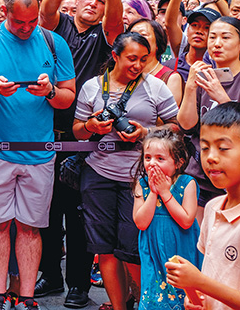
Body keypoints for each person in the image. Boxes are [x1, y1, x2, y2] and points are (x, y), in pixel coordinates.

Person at [0, 0, 76, 310]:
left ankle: (26, 297)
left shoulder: (55, 42)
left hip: (39, 152)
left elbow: (68, 96)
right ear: (4, 12)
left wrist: (50, 91)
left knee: (31, 227)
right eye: (18, 22)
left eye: (32, 21)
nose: (26, 28)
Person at [35, 0, 123, 306]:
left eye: (100, 1)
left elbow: (116, 24)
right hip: (46, 132)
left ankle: (79, 285)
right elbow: (46, 13)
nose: (94, 4)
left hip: (86, 136)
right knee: (49, 211)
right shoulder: (61, 28)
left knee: (79, 213)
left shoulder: (105, 36)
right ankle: (51, 277)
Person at [73, 32, 179, 310]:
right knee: (104, 248)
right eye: (131, 58)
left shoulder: (155, 86)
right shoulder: (92, 87)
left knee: (133, 249)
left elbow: (177, 127)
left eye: (143, 59)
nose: (137, 65)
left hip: (140, 178)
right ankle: (120, 306)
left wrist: (148, 133)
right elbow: (77, 130)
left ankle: (146, 303)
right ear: (115, 56)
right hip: (98, 174)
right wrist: (91, 127)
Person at [165, 102, 240, 310]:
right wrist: (198, 296)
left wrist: (198, 282)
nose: (211, 158)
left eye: (223, 148)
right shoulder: (212, 207)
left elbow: (205, 280)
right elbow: (215, 274)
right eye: (205, 148)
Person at [177, 16, 240, 215]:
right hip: (201, 174)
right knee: (201, 242)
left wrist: (222, 97)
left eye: (225, 37)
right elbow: (186, 126)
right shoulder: (203, 76)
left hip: (234, 177)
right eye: (212, 37)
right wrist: (189, 88)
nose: (217, 44)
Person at [133, 128, 201, 310]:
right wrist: (154, 193)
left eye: (160, 159)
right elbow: (140, 222)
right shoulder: (142, 185)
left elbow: (186, 220)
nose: (152, 164)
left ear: (178, 162)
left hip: (181, 249)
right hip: (154, 252)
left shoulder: (187, 184)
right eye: (148, 158)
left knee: (183, 294)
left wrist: (165, 192)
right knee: (155, 295)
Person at [128, 19, 183, 104]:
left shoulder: (171, 78)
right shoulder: (124, 73)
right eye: (132, 34)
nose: (136, 39)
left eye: (143, 34)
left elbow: (166, 116)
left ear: (157, 43)